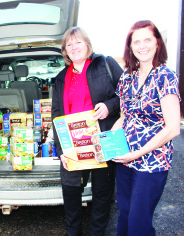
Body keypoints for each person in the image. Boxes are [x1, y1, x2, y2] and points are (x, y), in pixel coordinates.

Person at [51, 26, 123, 236]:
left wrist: (109, 106)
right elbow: (56, 116)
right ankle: (73, 232)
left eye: (78, 42)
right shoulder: (61, 77)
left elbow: (127, 95)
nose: (74, 47)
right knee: (71, 193)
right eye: (69, 44)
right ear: (65, 50)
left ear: (87, 44)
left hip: (102, 140)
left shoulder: (105, 64)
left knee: (102, 194)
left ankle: (97, 232)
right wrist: (61, 150)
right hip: (73, 145)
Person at [112, 20, 181, 236]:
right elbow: (124, 117)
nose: (142, 45)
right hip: (125, 159)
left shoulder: (165, 77)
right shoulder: (126, 78)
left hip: (152, 162)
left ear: (158, 43)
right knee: (124, 215)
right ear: (130, 47)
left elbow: (173, 128)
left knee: (138, 223)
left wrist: (137, 154)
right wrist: (106, 141)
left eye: (147, 39)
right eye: (136, 41)